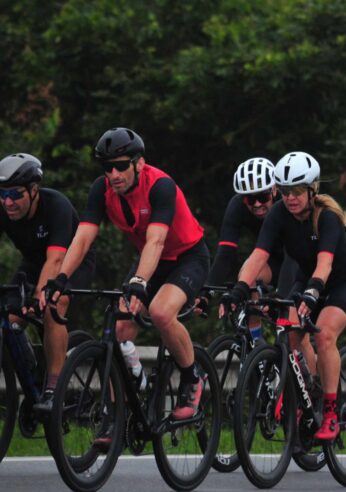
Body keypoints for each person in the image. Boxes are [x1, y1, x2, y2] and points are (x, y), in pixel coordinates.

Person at [42, 127, 209, 433]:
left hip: (187, 257)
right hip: (149, 259)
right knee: (117, 327)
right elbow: (82, 238)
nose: (114, 174)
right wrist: (60, 278)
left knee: (160, 311)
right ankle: (116, 412)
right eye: (107, 168)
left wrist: (140, 280)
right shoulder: (101, 190)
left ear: (139, 163)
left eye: (121, 166)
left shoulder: (160, 186)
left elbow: (157, 240)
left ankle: (192, 377)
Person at [219, 151, 346, 442]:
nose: (290, 197)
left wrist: (311, 293)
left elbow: (325, 265)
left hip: (341, 281)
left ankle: (332, 412)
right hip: (307, 278)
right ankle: (306, 398)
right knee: (291, 337)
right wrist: (238, 289)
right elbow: (258, 256)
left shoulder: (328, 218)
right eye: (285, 191)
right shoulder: (278, 213)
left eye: (297, 190)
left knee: (323, 335)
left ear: (313, 190)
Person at [0, 153, 95, 411]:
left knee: (52, 306)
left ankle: (53, 389)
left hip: (69, 264)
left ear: (34, 190)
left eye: (15, 194)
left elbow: (56, 259)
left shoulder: (56, 205)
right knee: (8, 322)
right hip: (34, 265)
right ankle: (34, 373)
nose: (8, 202)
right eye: (3, 194)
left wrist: (39, 298)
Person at [199, 158, 288, 339]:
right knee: (248, 279)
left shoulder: (287, 204)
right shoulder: (237, 206)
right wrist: (206, 291)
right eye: (250, 199)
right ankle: (257, 346)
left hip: (295, 260)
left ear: (275, 190)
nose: (256, 205)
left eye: (262, 197)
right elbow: (225, 253)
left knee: (291, 330)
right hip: (268, 259)